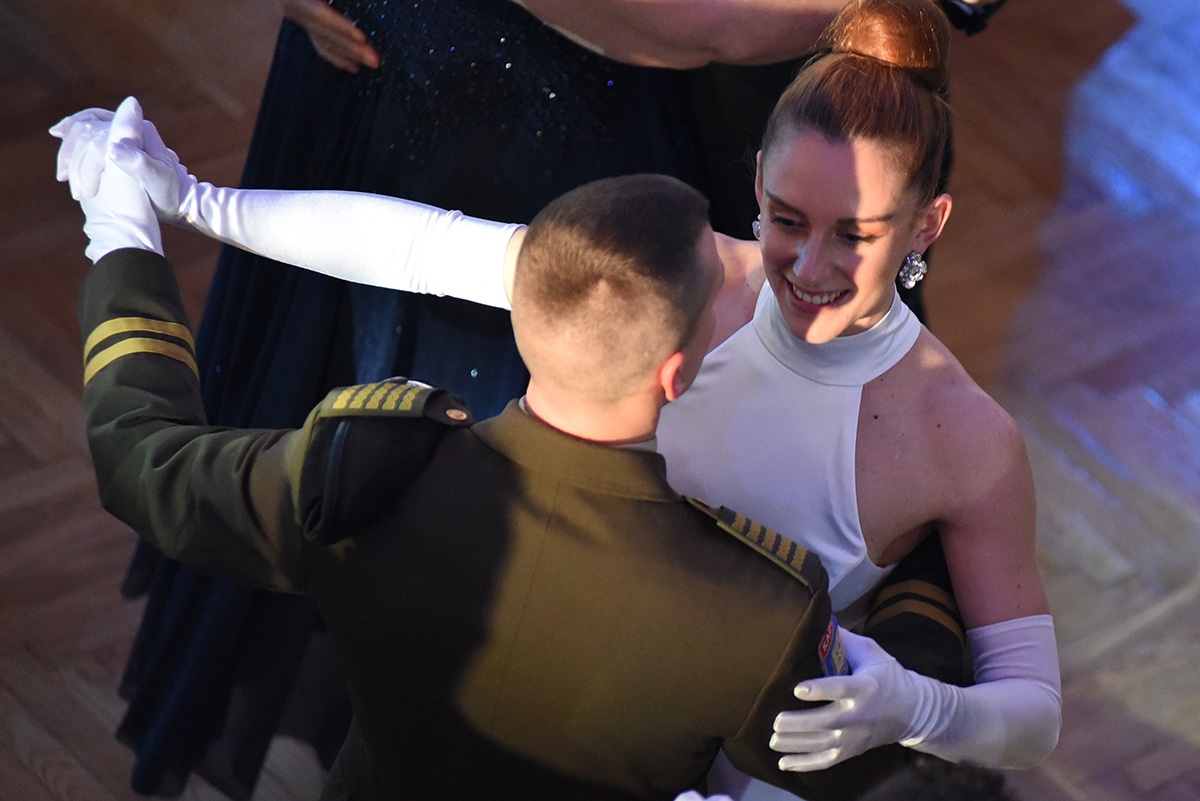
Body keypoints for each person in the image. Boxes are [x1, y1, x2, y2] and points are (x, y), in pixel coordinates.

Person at [61, 0, 1061, 793]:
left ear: (927, 225)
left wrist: (917, 708)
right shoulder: (676, 282)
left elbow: (1033, 715)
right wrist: (194, 201)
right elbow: (419, 245)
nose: (807, 266)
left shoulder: (966, 441)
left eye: (857, 235)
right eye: (787, 218)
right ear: (755, 178)